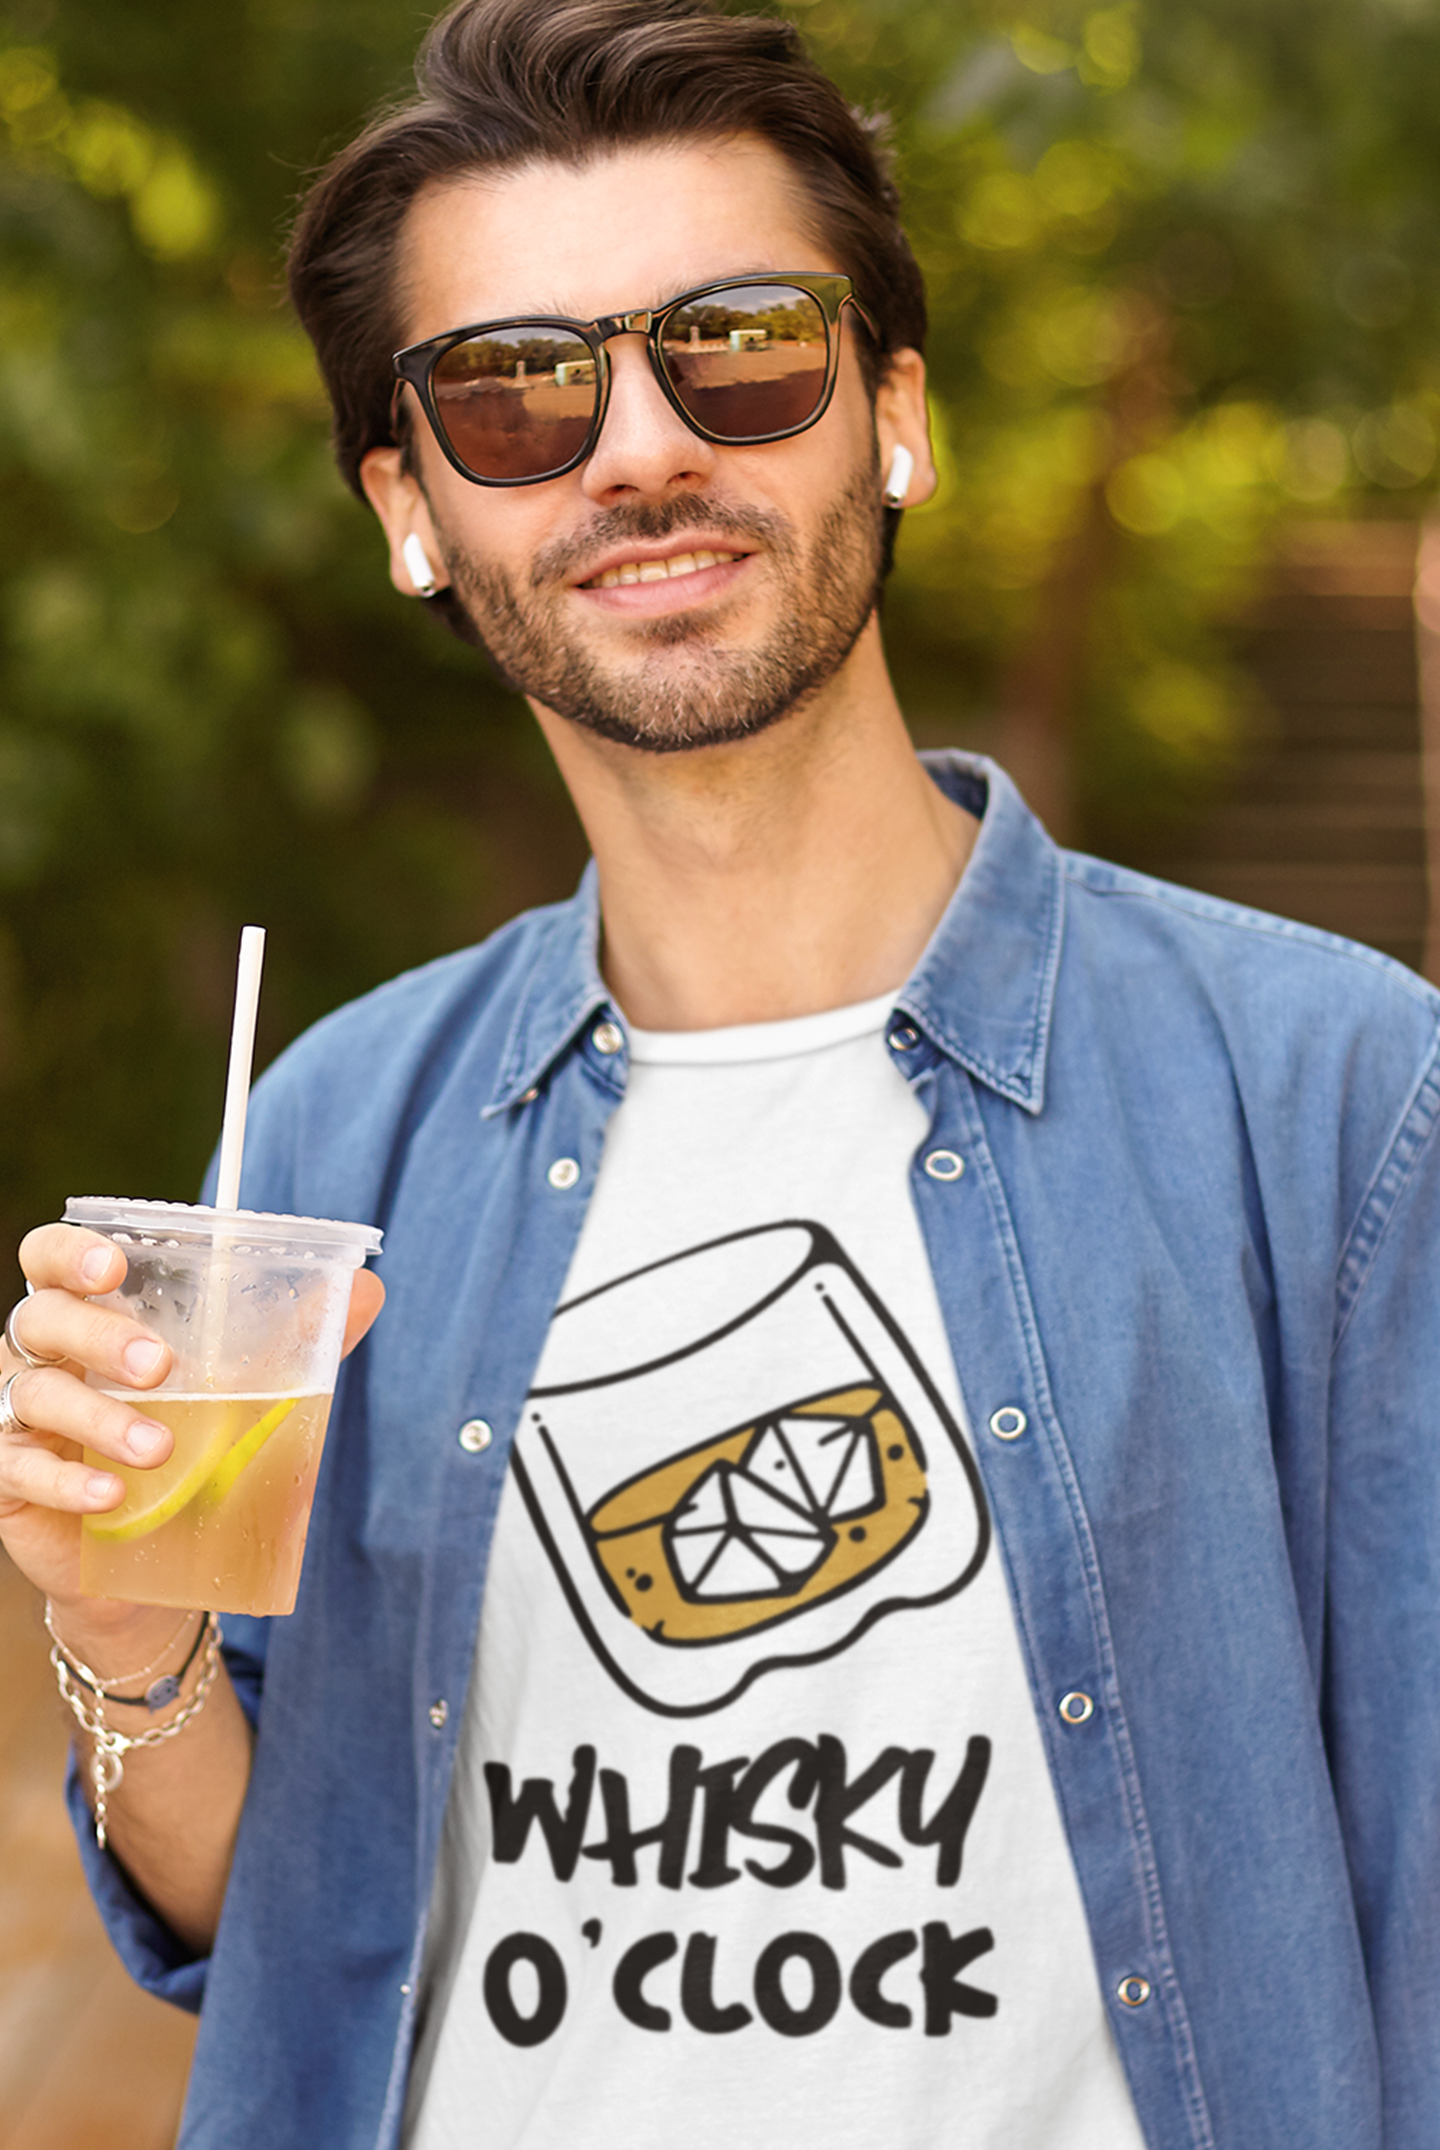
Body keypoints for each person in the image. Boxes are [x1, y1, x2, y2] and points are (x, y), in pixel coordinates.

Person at [2, 0, 1437, 2143]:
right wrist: (127, 1630)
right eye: (515, 391)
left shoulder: (1335, 1104)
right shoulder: (331, 1133)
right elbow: (275, 1918)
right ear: (411, 510)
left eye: (740, 348)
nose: (640, 452)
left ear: (896, 417)